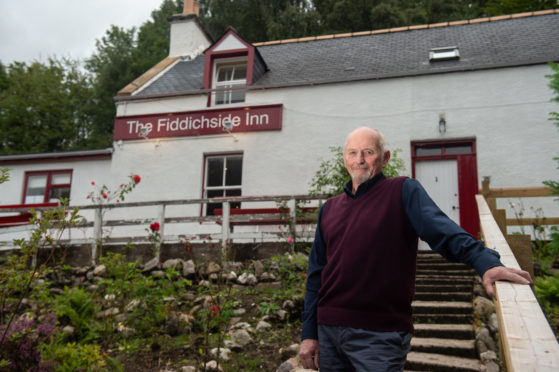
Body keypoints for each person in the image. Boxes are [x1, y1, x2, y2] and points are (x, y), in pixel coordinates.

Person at [299, 127, 532, 371]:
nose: (359, 160)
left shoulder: (402, 191)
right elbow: (316, 275)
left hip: (378, 336)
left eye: (368, 152)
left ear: (385, 157)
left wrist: (486, 262)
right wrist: (309, 334)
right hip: (328, 333)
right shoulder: (330, 209)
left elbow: (444, 231)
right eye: (353, 153)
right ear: (344, 158)